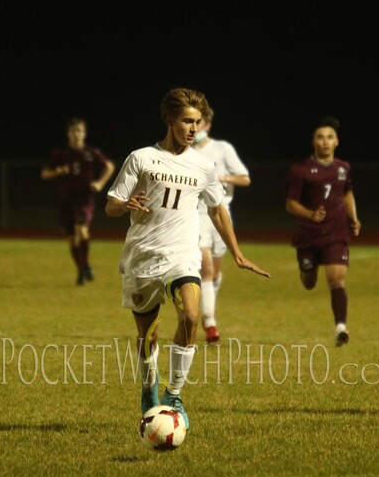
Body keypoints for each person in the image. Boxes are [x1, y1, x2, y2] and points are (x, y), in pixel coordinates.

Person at [105, 87, 269, 430]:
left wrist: (237, 253)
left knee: (191, 316)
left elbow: (217, 209)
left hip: (183, 256)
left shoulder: (203, 166)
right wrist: (125, 206)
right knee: (148, 336)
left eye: (197, 122)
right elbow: (110, 205)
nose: (193, 128)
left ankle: (174, 394)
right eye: (186, 121)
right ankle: (149, 385)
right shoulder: (141, 158)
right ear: (170, 120)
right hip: (142, 258)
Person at [285, 116, 361, 347]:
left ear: (336, 141)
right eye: (320, 137)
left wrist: (354, 218)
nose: (325, 141)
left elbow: (346, 192)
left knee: (336, 279)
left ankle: (341, 328)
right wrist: (310, 214)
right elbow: (290, 204)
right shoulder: (301, 170)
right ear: (313, 142)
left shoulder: (343, 168)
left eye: (330, 137)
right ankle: (306, 268)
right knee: (309, 282)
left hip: (336, 233)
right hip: (308, 235)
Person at [192, 106, 251, 344]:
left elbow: (244, 178)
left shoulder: (222, 149)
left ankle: (209, 306)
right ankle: (209, 323)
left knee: (214, 273)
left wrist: (222, 178)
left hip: (221, 213)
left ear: (208, 125)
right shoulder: (184, 152)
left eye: (200, 123)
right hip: (196, 214)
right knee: (205, 269)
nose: (195, 128)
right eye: (191, 123)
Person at [41, 118, 115, 285]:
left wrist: (100, 183)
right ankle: (81, 268)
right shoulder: (61, 153)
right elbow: (44, 174)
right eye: (73, 131)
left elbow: (109, 166)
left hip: (84, 199)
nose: (76, 134)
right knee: (72, 239)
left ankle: (85, 264)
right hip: (66, 200)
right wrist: (57, 172)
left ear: (84, 133)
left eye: (79, 131)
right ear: (68, 134)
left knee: (81, 230)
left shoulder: (91, 152)